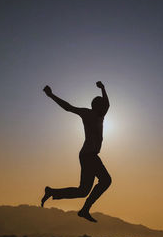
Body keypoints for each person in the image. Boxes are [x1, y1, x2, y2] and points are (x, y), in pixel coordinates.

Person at [41, 81, 112, 222]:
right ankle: (85, 210)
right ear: (97, 106)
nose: (105, 108)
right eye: (102, 106)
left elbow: (107, 104)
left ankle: (52, 192)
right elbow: (68, 108)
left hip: (89, 156)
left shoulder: (101, 117)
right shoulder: (87, 113)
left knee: (83, 191)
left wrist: (103, 89)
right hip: (88, 156)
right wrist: (51, 95)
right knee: (106, 180)